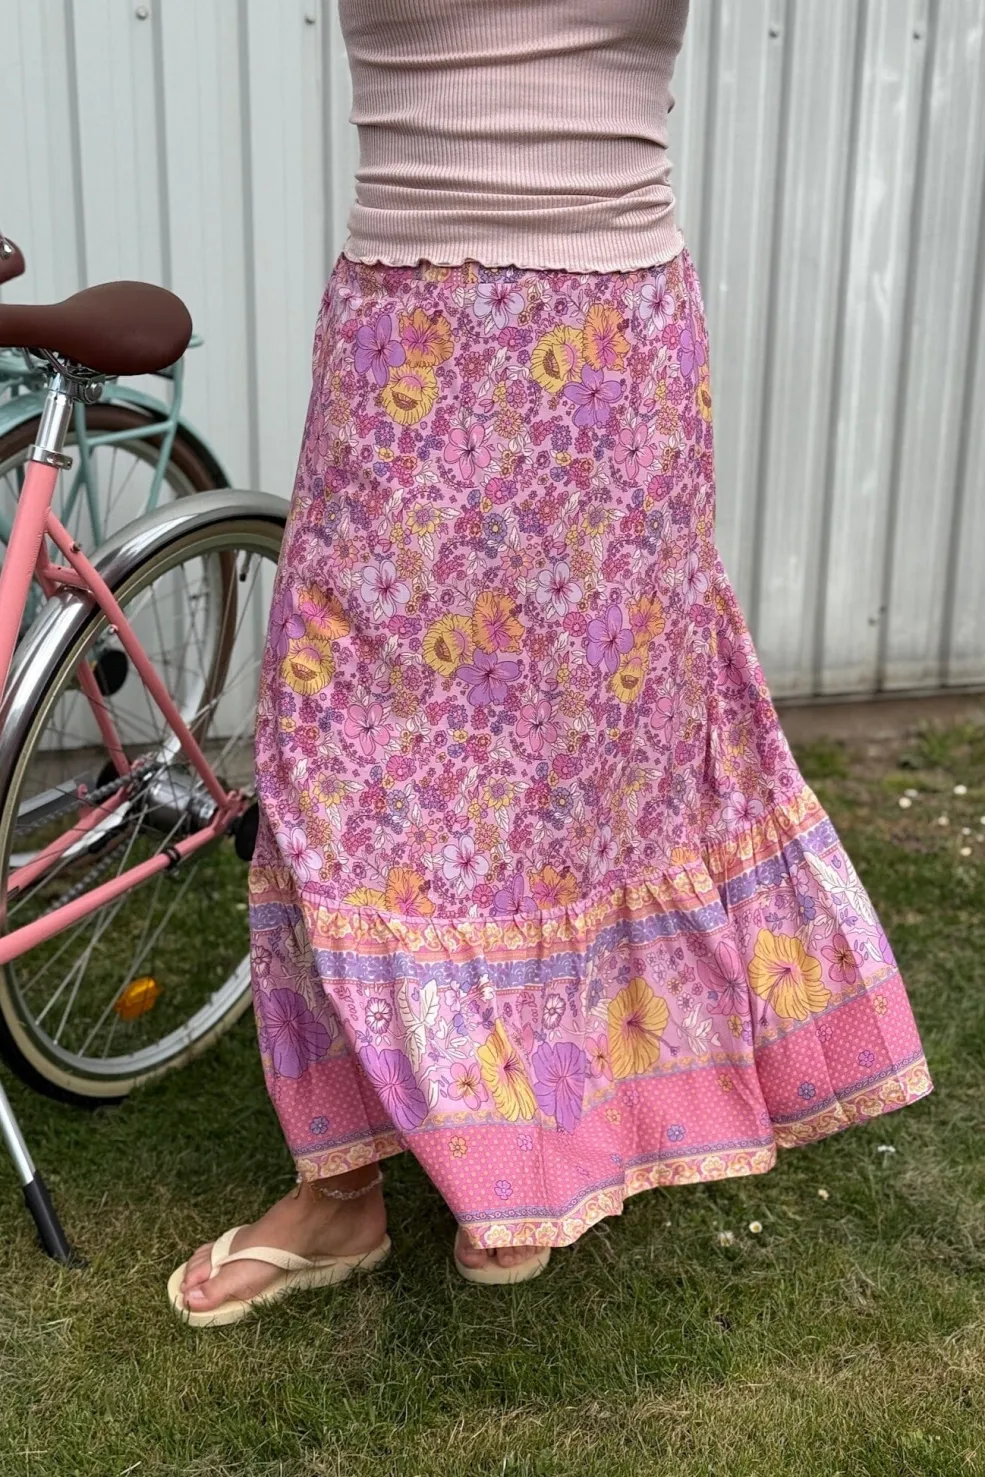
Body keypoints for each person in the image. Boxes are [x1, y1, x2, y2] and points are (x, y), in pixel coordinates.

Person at [169, 0, 931, 1326]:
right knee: (333, 749)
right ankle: (342, 1187)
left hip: (613, 359)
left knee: (585, 764)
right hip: (407, 346)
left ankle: (544, 1138)